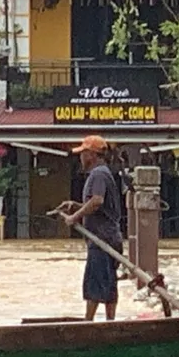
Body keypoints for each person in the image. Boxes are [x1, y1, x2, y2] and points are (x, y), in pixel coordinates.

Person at [57, 135, 124, 322]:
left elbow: (97, 201)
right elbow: (98, 207)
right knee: (109, 284)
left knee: (94, 285)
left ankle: (89, 323)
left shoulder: (99, 174)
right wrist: (75, 206)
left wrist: (74, 217)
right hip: (109, 238)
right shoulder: (102, 173)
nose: (80, 157)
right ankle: (110, 322)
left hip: (101, 240)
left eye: (83, 153)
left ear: (92, 155)